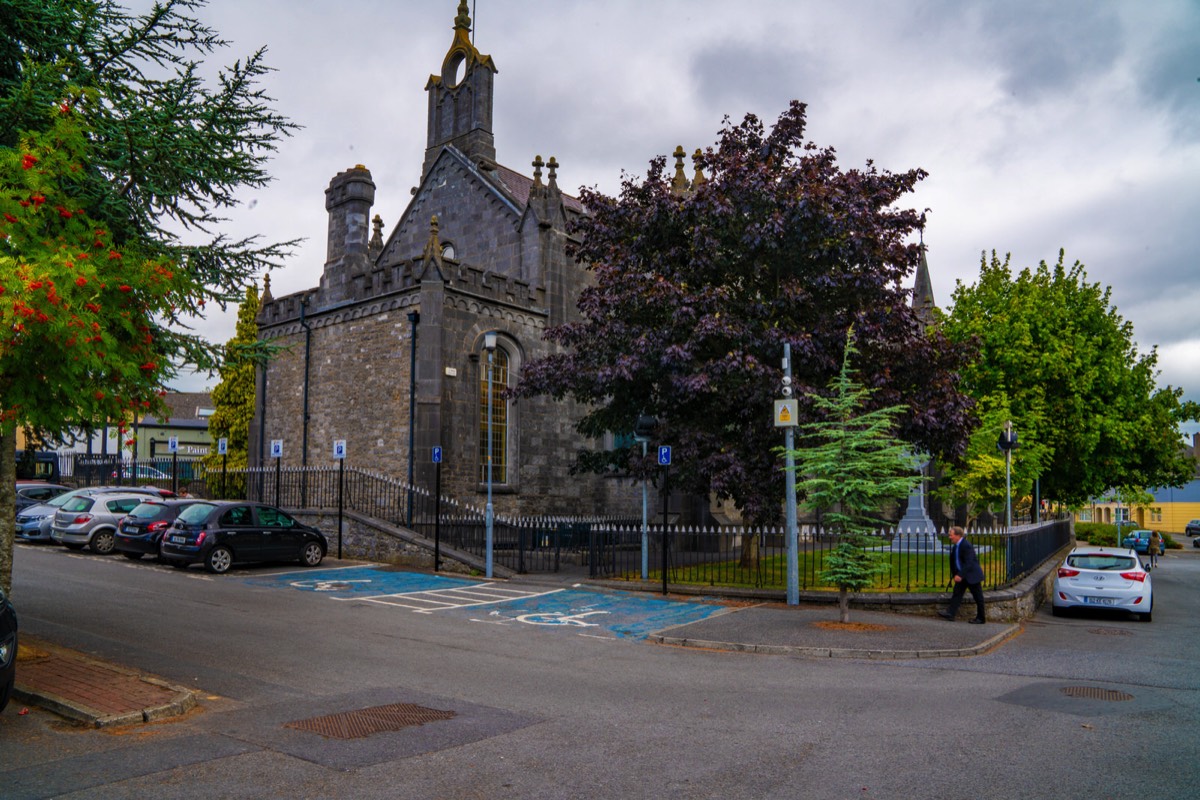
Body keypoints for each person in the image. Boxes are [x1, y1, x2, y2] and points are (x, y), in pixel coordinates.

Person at [938, 526, 986, 624]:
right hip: (962, 575)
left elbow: (969, 562)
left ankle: (981, 618)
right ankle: (951, 613)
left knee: (978, 597)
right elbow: (955, 561)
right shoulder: (956, 546)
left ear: (958, 535)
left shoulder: (966, 545)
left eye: (951, 535)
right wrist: (955, 574)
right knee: (957, 594)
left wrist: (960, 575)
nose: (949, 537)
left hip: (972, 575)